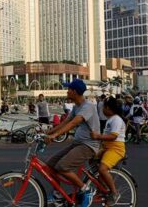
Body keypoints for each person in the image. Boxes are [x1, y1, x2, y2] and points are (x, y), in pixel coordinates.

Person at [45, 79, 100, 207]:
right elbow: (64, 123)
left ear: (74, 92)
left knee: (63, 166)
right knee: (50, 164)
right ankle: (58, 194)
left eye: (68, 89)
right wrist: (48, 132)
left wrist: (54, 136)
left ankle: (86, 190)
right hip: (77, 144)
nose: (67, 91)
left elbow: (73, 123)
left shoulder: (88, 107)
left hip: (88, 145)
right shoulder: (76, 107)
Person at [90, 97, 125, 205]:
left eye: (103, 107)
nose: (101, 110)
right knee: (92, 163)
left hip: (115, 148)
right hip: (107, 147)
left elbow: (113, 136)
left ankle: (114, 192)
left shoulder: (116, 119)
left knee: (102, 169)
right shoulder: (111, 119)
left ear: (108, 108)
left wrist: (98, 136)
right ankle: (102, 189)